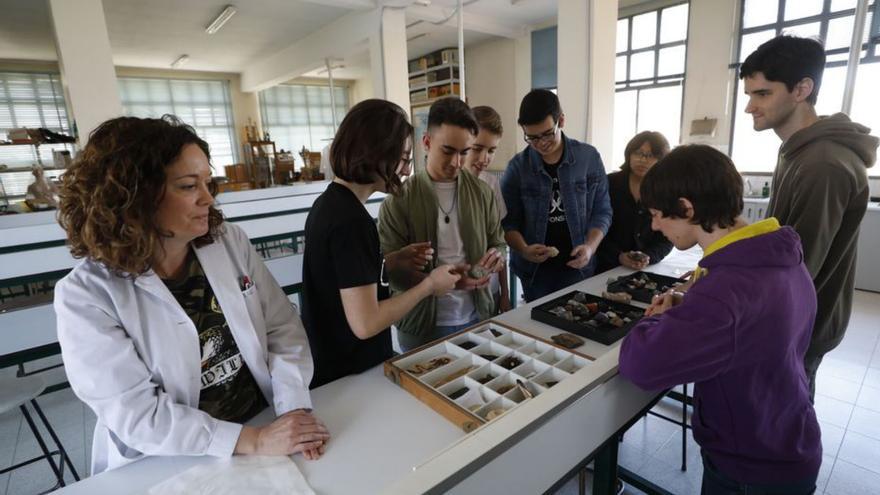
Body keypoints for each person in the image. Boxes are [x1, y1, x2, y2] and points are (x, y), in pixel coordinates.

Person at [55, 116, 328, 474]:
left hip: (264, 420)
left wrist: (292, 406)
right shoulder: (86, 295)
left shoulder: (228, 242)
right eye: (188, 186)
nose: (208, 198)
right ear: (134, 196)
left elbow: (281, 327)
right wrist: (254, 441)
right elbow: (137, 413)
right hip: (172, 457)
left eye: (207, 182)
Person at [618, 144, 822, 495]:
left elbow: (641, 366)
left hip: (751, 465)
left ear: (686, 207)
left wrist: (655, 320)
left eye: (657, 214)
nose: (654, 224)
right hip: (788, 433)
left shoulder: (724, 290)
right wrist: (689, 302)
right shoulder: (781, 256)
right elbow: (752, 328)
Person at [740, 35, 878, 400]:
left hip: (800, 325)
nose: (750, 107)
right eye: (749, 94)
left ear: (802, 89)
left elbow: (798, 267)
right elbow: (779, 236)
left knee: (779, 432)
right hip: (790, 320)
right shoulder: (796, 150)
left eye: (763, 94)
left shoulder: (823, 163)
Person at [301, 99, 460, 387]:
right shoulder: (352, 222)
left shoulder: (329, 204)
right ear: (375, 154)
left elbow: (341, 279)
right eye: (402, 158)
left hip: (331, 364)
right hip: (352, 374)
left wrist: (389, 261)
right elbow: (366, 323)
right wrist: (429, 286)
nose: (406, 170)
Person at [379, 97, 507, 352]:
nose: (456, 163)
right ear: (426, 142)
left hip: (476, 316)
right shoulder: (399, 200)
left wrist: (496, 257)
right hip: (421, 324)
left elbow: (499, 242)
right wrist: (439, 282)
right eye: (447, 151)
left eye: (464, 152)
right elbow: (387, 272)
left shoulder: (482, 193)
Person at [501, 89, 612, 302]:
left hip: (579, 267)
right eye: (532, 138)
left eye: (546, 134)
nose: (541, 143)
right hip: (535, 273)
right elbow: (508, 223)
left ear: (561, 120)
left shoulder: (588, 158)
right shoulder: (517, 168)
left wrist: (590, 247)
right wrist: (523, 249)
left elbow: (603, 211)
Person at [596, 131, 673, 273]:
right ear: (629, 154)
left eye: (650, 155)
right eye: (638, 153)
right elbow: (594, 224)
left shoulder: (665, 190)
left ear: (661, 160)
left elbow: (667, 237)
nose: (642, 160)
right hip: (604, 264)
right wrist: (618, 256)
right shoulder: (609, 183)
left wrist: (649, 256)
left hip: (646, 267)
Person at [463, 105, 511, 313]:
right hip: (455, 299)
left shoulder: (491, 184)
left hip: (489, 293)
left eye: (491, 150)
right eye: (477, 148)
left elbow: (499, 243)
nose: (485, 159)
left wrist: (506, 295)